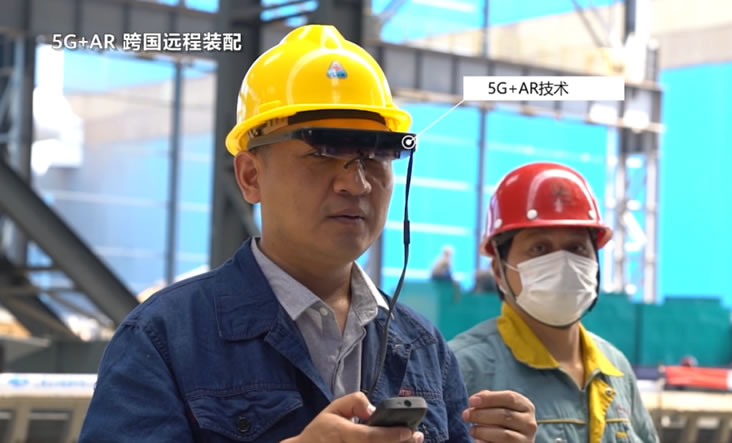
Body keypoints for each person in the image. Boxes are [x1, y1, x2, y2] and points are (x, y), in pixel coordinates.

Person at [79, 25, 536, 443]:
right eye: (323, 153)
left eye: (376, 156)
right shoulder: (164, 339)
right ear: (251, 176)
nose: (356, 183)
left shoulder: (422, 347)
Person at [449, 162, 659, 443]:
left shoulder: (615, 366)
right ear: (499, 270)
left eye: (577, 248)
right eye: (540, 248)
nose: (563, 264)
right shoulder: (461, 368)